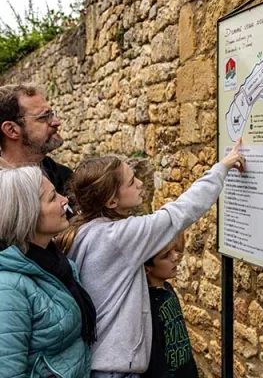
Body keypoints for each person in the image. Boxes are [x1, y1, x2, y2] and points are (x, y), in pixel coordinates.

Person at [56, 139, 245, 377]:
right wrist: (222, 168)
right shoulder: (117, 236)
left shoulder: (85, 231)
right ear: (112, 201)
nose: (140, 183)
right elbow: (180, 213)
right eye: (131, 182)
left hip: (97, 364)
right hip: (115, 370)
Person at [0, 166, 95, 377]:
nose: (65, 200)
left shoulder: (57, 265)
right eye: (52, 197)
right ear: (27, 212)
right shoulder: (8, 289)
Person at [0, 85, 72, 195]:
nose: (56, 122)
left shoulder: (64, 178)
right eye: (43, 117)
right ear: (11, 130)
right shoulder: (3, 188)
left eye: (52, 114)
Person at [142, 240, 197, 378]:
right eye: (166, 256)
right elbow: (155, 352)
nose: (175, 257)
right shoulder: (149, 304)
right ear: (147, 268)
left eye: (173, 251)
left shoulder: (168, 289)